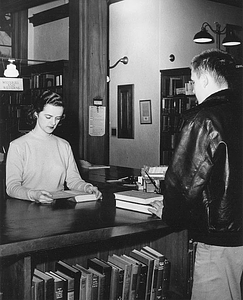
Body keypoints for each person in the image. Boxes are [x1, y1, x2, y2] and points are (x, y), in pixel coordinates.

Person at [149, 49, 243, 300]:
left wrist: (168, 212)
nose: (192, 89)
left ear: (203, 79)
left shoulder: (203, 119)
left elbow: (184, 182)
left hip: (219, 238)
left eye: (192, 81)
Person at [6, 90, 102, 204]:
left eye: (57, 118)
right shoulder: (18, 146)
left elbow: (73, 180)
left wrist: (87, 187)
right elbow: (12, 187)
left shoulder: (64, 145)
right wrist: (34, 194)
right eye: (48, 117)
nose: (53, 123)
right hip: (28, 208)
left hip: (58, 209)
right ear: (36, 114)